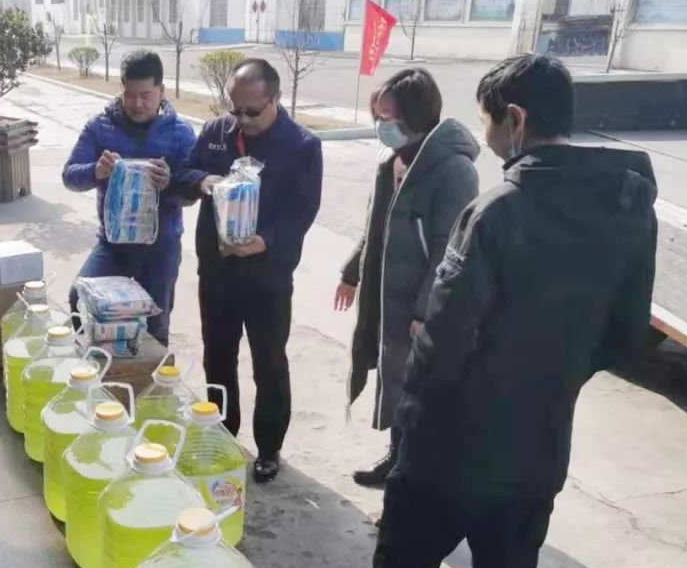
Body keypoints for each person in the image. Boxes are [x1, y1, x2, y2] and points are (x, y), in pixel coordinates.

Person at [367, 54, 657, 568]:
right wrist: (554, 374)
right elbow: (627, 335)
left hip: (449, 450)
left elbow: (442, 345)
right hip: (538, 449)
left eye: (489, 122)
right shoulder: (628, 208)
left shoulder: (497, 211)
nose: (489, 138)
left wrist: (411, 435)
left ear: (516, 119)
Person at [172, 59, 323, 483]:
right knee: (217, 355)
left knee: (269, 362)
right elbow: (183, 174)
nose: (241, 119)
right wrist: (202, 181)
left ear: (275, 99)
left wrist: (266, 240)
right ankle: (222, 434)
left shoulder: (301, 145)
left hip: (266, 277)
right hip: (218, 272)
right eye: (235, 109)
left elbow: (303, 209)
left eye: (252, 111)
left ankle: (269, 448)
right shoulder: (216, 133)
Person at [336, 68, 479, 489]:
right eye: (378, 116)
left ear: (417, 116)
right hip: (388, 297)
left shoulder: (452, 170)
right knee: (395, 381)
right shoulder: (393, 162)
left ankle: (412, 478)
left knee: (420, 392)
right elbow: (376, 228)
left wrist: (425, 311)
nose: (382, 125)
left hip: (418, 307)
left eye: (390, 118)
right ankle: (397, 459)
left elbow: (448, 250)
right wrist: (351, 272)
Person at [62, 50, 196, 345]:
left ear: (162, 91)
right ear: (121, 88)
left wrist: (169, 183)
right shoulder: (100, 127)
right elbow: (69, 176)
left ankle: (150, 372)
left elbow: (191, 194)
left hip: (160, 249)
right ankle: (95, 361)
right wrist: (96, 171)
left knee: (155, 326)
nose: (137, 103)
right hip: (112, 245)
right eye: (129, 94)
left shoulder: (180, 134)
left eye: (145, 95)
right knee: (80, 299)